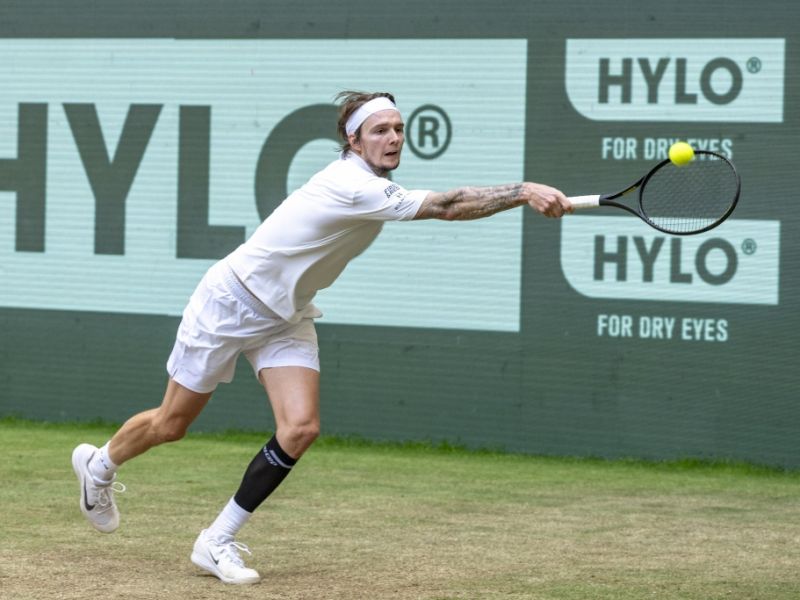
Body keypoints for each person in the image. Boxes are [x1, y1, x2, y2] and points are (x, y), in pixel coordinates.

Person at [71, 91, 573, 585]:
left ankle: (216, 540)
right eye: (380, 130)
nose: (394, 137)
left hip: (285, 314)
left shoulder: (373, 185)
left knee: (300, 428)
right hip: (231, 302)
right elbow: (447, 204)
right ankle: (100, 465)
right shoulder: (352, 184)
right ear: (354, 140)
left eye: (398, 128)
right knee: (172, 423)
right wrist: (524, 191)